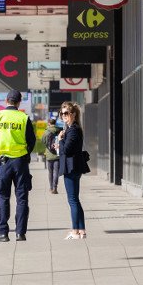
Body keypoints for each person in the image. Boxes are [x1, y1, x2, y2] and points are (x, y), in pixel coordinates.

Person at [0, 89, 36, 242]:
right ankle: (20, 233)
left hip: (2, 163)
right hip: (20, 163)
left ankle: (3, 233)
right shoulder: (24, 118)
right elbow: (32, 140)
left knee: (3, 197)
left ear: (6, 101)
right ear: (19, 102)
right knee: (22, 199)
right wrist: (25, 153)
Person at [55, 101, 87, 240]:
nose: (63, 116)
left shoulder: (73, 129)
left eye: (66, 113)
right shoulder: (72, 128)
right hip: (73, 166)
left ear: (73, 114)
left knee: (72, 200)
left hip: (71, 167)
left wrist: (61, 140)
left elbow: (66, 150)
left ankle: (75, 231)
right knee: (75, 199)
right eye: (62, 114)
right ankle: (81, 230)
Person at [42, 116, 60, 194]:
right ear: (55, 123)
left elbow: (43, 141)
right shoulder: (59, 130)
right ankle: (55, 188)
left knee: (50, 172)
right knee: (56, 172)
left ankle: (51, 187)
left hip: (49, 154)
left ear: (49, 123)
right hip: (58, 153)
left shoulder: (46, 131)